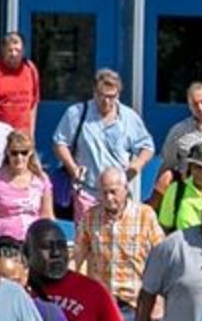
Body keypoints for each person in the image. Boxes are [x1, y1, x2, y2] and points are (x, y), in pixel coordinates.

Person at [52, 68, 154, 218]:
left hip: (118, 194)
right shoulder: (76, 113)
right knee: (87, 232)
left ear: (118, 94)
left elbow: (147, 146)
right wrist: (72, 167)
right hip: (88, 191)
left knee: (120, 232)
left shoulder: (129, 117)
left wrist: (138, 164)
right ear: (94, 92)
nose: (106, 101)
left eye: (111, 97)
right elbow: (59, 143)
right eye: (102, 95)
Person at [73, 167, 165, 321]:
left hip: (135, 303)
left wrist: (159, 300)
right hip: (102, 303)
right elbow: (77, 256)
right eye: (104, 193)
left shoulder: (145, 215)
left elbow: (162, 259)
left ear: (125, 189)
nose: (109, 198)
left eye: (113, 192)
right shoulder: (90, 217)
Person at [0, 130, 53, 240]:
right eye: (14, 153)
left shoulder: (41, 179)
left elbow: (47, 215)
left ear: (31, 152)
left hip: (33, 241)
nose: (19, 157)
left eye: (24, 152)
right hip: (2, 241)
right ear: (7, 152)